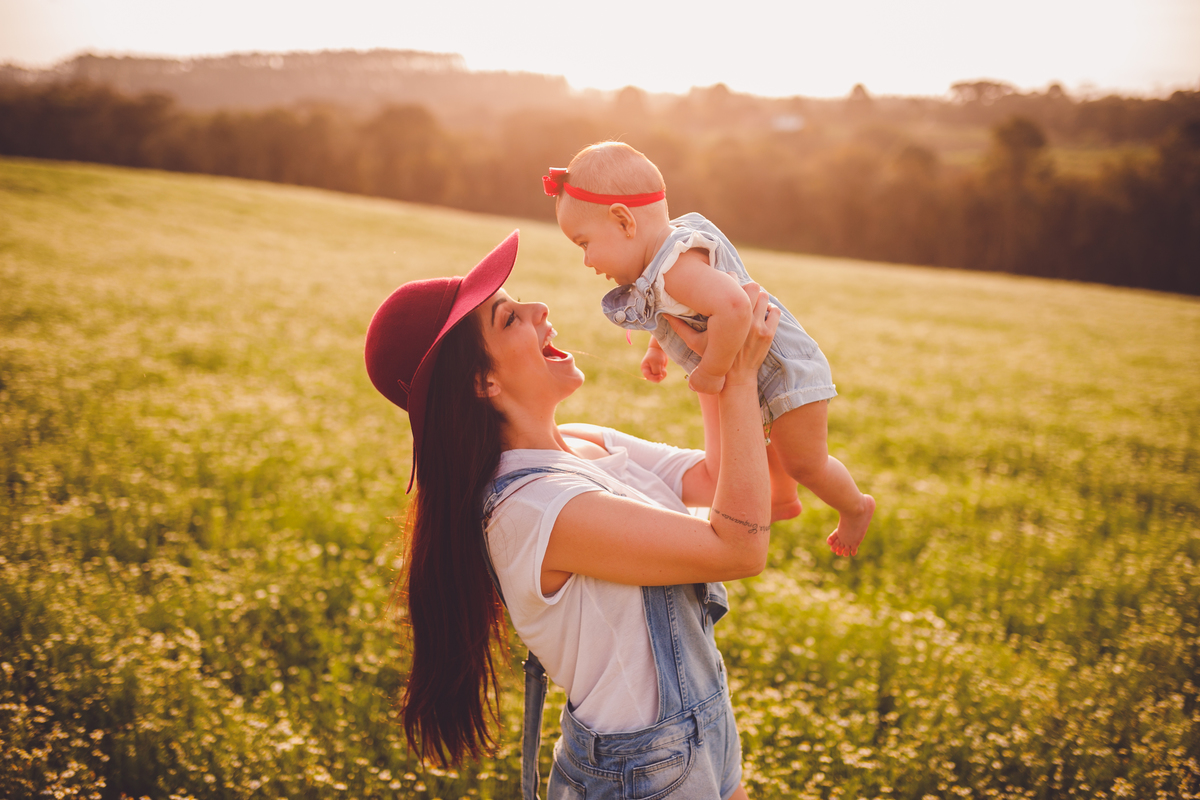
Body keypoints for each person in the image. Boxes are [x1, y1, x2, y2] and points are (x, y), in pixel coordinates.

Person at [364, 230, 781, 799]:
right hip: (641, 773)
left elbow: (714, 479)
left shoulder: (582, 442)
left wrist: (707, 351)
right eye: (510, 318)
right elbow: (739, 546)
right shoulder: (532, 509)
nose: (540, 311)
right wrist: (737, 377)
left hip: (702, 732)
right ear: (482, 382)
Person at [543, 142, 875, 556]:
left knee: (806, 461)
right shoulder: (667, 262)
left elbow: (734, 306)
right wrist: (658, 349)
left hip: (785, 371)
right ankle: (783, 498)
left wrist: (714, 370)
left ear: (624, 221)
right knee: (765, 440)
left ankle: (855, 507)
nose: (587, 260)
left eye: (584, 243)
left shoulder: (676, 268)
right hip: (764, 373)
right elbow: (682, 310)